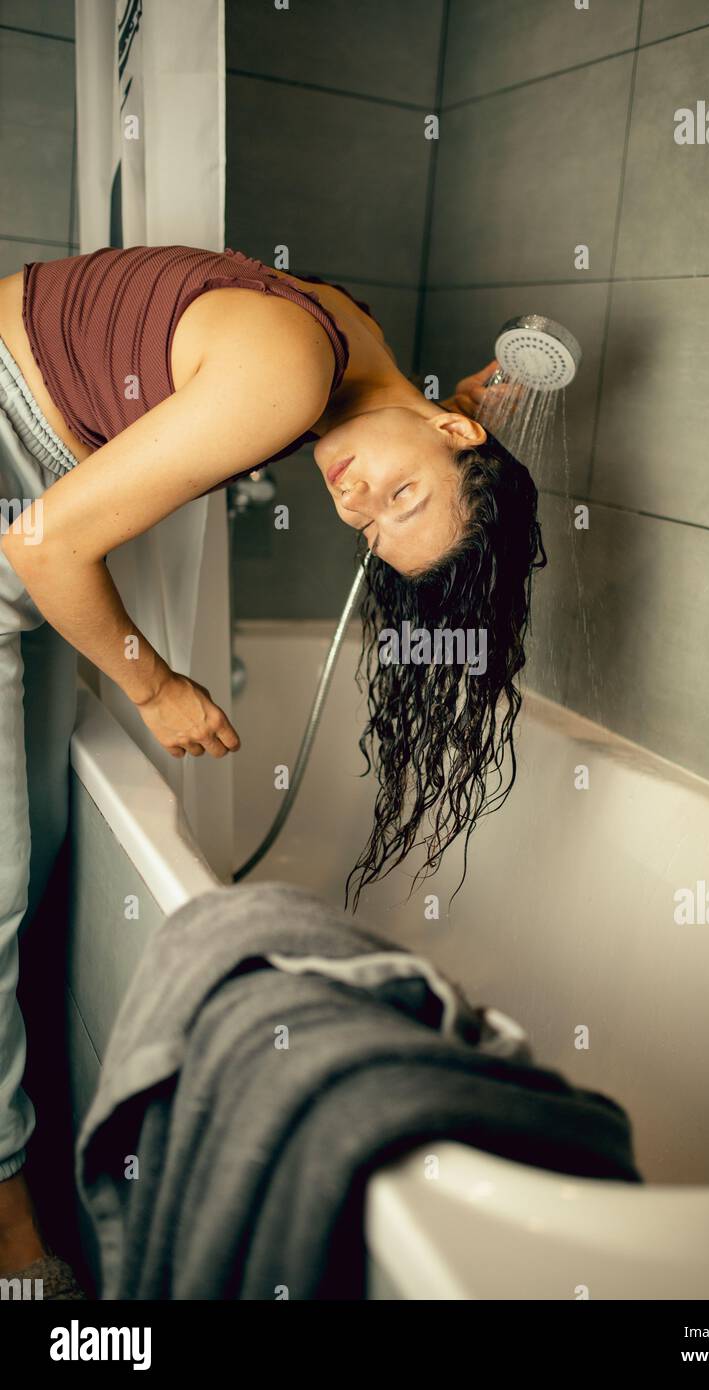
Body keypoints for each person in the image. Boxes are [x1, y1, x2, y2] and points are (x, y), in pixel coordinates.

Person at [0, 244, 546, 1281]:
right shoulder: (294, 368)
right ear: (452, 430)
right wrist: (156, 687)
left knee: (39, 837)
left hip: (22, 459)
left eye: (379, 527)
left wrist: (443, 417)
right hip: (14, 473)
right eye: (401, 497)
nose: (356, 509)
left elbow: (375, 416)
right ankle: (9, 1243)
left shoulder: (353, 343)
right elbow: (41, 545)